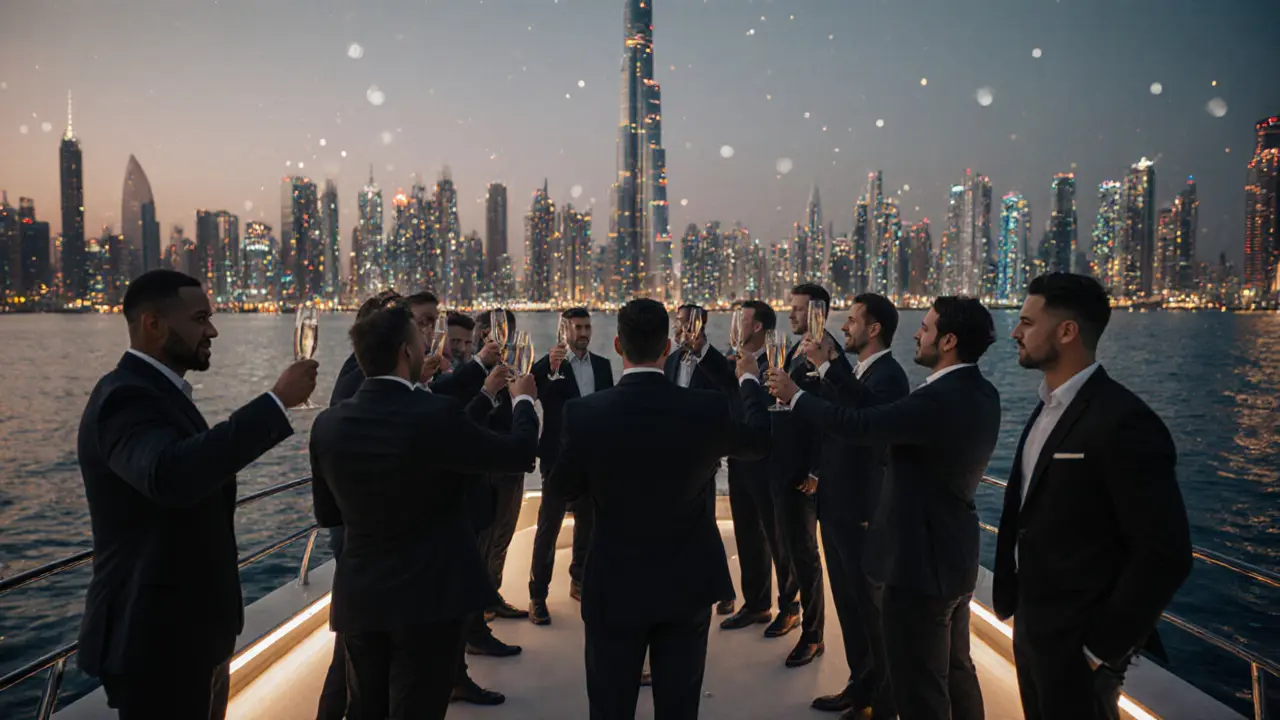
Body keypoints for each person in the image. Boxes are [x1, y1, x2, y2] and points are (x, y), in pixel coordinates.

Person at [76, 269, 317, 719]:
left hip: (192, 636)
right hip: (157, 643)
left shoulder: (160, 394)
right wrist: (275, 402)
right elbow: (169, 475)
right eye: (201, 318)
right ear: (153, 323)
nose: (213, 330)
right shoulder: (124, 397)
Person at [768, 295, 1000, 720]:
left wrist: (796, 396)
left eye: (926, 328)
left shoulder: (937, 398)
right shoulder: (981, 392)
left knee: (920, 684)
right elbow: (867, 411)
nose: (917, 332)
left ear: (948, 340)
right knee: (956, 668)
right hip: (953, 554)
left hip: (918, 563)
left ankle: (878, 699)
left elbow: (863, 424)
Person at [309, 304, 539, 720]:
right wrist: (523, 402)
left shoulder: (328, 425)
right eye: (421, 342)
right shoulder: (434, 414)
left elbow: (328, 515)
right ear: (406, 353)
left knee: (365, 709)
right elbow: (518, 453)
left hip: (361, 598)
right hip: (429, 599)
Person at [546, 298, 770, 720]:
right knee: (679, 708)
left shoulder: (585, 413)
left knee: (610, 708)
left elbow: (560, 488)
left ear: (616, 344)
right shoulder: (704, 410)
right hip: (686, 583)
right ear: (667, 346)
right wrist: (749, 382)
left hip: (613, 583)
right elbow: (759, 441)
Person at [996, 273, 1192, 720]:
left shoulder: (1123, 421)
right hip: (1033, 623)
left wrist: (1098, 648)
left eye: (1026, 322)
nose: (1015, 332)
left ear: (1067, 332)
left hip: (1079, 642)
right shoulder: (1047, 407)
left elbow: (1167, 553)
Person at [803, 294, 910, 718]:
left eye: (851, 321)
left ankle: (884, 704)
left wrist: (829, 368)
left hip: (864, 509)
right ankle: (860, 685)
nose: (844, 327)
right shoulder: (857, 372)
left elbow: (865, 421)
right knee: (849, 607)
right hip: (835, 504)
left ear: (874, 329)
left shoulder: (889, 377)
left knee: (871, 612)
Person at [765, 283, 852, 668]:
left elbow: (832, 418)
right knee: (786, 546)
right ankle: (791, 609)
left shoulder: (828, 353)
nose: (792, 315)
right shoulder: (798, 349)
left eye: (799, 310)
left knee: (805, 554)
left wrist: (817, 471)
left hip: (807, 474)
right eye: (792, 307)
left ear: (820, 313)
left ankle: (814, 636)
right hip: (784, 466)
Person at [527, 307, 614, 625]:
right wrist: (546, 365)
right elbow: (529, 385)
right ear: (564, 330)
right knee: (548, 529)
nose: (584, 333)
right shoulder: (552, 366)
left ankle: (579, 579)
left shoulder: (603, 367)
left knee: (588, 525)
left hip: (593, 461)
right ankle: (538, 596)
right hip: (557, 459)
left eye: (587, 327)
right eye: (577, 327)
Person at [719, 300, 796, 633]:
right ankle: (756, 604)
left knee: (780, 539)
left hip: (771, 464)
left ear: (758, 327)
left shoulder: (780, 362)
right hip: (739, 459)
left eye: (742, 319)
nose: (735, 324)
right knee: (747, 534)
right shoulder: (733, 362)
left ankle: (790, 607)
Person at [664, 303, 739, 616]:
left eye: (685, 323)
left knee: (705, 526)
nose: (680, 328)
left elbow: (729, 391)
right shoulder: (670, 361)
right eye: (677, 323)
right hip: (671, 457)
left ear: (702, 325)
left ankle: (724, 591)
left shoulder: (717, 362)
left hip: (702, 457)